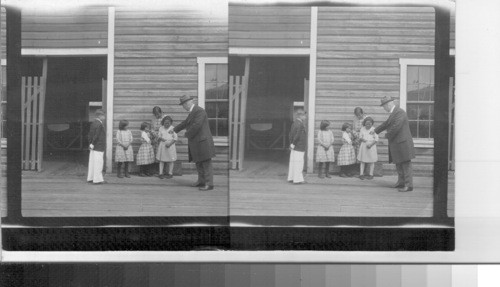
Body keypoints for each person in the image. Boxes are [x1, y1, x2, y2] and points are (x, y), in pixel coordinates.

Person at [173, 95, 216, 191]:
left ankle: (209, 184)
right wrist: (174, 130)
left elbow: (197, 125)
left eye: (184, 104)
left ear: (189, 102)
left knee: (206, 163)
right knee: (199, 163)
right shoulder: (193, 112)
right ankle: (201, 181)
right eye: (183, 104)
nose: (183, 106)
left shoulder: (199, 111)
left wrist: (187, 134)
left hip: (203, 142)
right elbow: (185, 123)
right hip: (197, 142)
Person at [374, 96, 415, 192]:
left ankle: (409, 185)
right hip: (398, 143)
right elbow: (386, 124)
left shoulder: (400, 112)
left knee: (405, 164)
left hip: (403, 143)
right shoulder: (394, 113)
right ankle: (401, 183)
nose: (384, 109)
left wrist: (387, 135)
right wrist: (375, 131)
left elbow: (396, 126)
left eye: (384, 106)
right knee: (399, 164)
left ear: (388, 104)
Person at [288, 109, 307, 184]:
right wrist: (293, 144)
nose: (305, 117)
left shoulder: (294, 123)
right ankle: (297, 179)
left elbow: (290, 134)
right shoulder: (300, 124)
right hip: (299, 146)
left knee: (293, 162)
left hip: (295, 146)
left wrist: (291, 144)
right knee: (299, 163)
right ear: (300, 116)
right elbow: (297, 136)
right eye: (304, 115)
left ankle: (291, 178)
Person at [87, 109, 106, 184]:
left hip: (93, 146)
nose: (104, 117)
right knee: (98, 163)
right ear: (100, 116)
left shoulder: (93, 123)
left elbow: (90, 134)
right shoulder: (99, 124)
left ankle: (90, 178)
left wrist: (90, 144)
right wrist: (93, 143)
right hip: (98, 146)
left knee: (92, 162)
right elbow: (97, 135)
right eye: (103, 115)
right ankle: (97, 180)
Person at [150, 106, 166, 175]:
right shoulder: (153, 118)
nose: (156, 116)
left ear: (161, 112)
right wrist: (153, 134)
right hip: (155, 138)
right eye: (155, 114)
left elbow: (166, 128)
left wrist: (160, 136)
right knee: (156, 153)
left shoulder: (165, 117)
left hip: (162, 138)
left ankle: (163, 171)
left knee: (163, 153)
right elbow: (151, 128)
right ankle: (156, 170)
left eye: (158, 114)